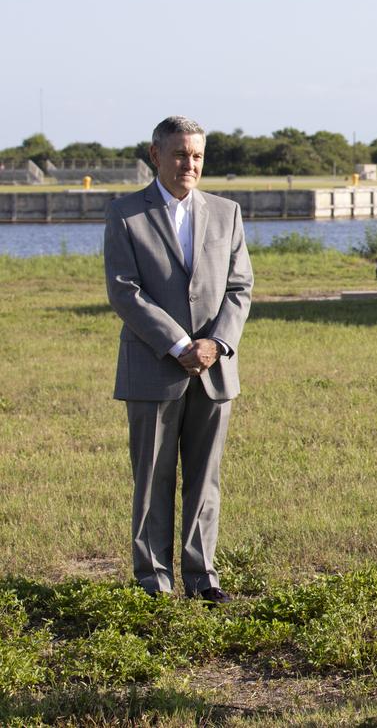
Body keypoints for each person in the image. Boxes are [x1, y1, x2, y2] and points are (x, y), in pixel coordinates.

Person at [104, 116, 253, 603]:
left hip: (214, 369)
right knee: (151, 480)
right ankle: (153, 582)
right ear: (155, 155)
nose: (189, 164)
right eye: (179, 154)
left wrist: (215, 345)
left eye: (197, 156)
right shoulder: (125, 214)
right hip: (153, 368)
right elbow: (125, 292)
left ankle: (202, 577)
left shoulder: (227, 212)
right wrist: (177, 344)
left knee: (205, 478)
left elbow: (239, 287)